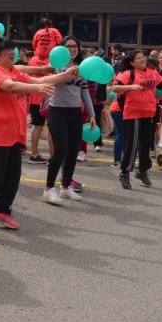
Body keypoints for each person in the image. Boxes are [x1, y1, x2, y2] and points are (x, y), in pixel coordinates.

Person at [0, 37, 79, 239]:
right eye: (7, 50)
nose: (12, 53)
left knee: (12, 177)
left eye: (13, 49)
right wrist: (36, 89)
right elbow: (10, 87)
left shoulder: (13, 71)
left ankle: (1, 209)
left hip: (11, 134)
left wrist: (65, 75)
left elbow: (39, 80)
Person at [112, 50, 162, 190]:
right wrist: (131, 87)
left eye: (143, 57)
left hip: (148, 113)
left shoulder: (152, 73)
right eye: (138, 58)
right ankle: (125, 173)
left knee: (146, 144)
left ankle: (142, 171)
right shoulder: (128, 73)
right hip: (132, 114)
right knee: (132, 144)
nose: (142, 60)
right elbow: (115, 88)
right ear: (132, 62)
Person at [43, 36, 95, 205]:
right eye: (68, 46)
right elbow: (50, 82)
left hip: (75, 113)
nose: (72, 49)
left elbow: (84, 92)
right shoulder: (56, 67)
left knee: (73, 151)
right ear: (62, 49)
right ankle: (48, 189)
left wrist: (92, 114)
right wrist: (65, 73)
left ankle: (65, 187)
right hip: (57, 112)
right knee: (61, 150)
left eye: (75, 46)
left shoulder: (82, 69)